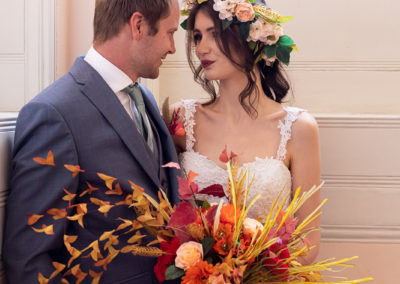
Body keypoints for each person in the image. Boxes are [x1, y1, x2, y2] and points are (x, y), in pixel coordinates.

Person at [3, 0, 180, 283]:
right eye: (170, 33)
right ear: (138, 25)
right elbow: (28, 257)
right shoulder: (54, 113)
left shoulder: (144, 98)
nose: (173, 47)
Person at [173, 0, 321, 264]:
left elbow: (308, 241)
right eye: (197, 36)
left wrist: (255, 276)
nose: (201, 48)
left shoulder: (299, 128)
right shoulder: (181, 119)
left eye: (214, 34)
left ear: (252, 38)